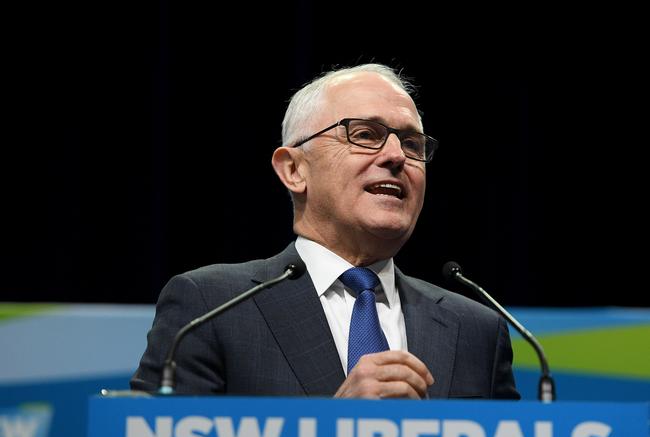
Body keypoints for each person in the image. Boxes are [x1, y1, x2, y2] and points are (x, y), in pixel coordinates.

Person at [131, 63, 520, 400]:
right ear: (294, 170)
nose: (397, 156)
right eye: (365, 134)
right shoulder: (210, 307)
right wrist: (332, 427)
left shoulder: (476, 330)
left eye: (412, 143)